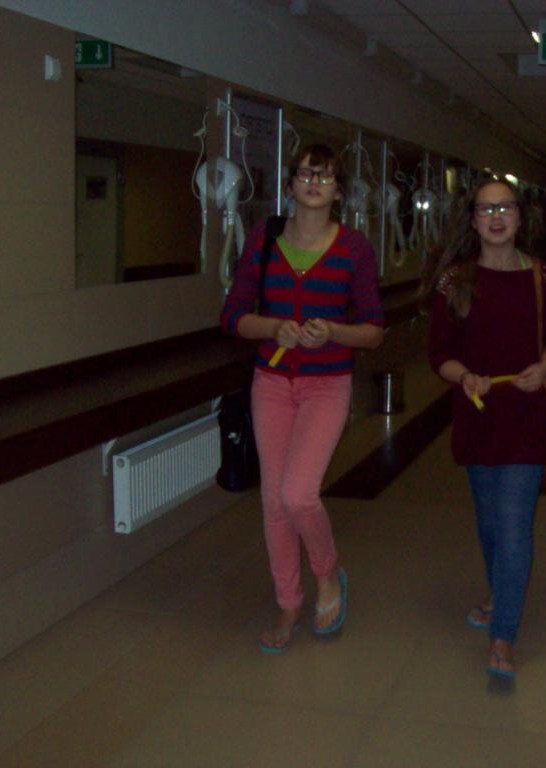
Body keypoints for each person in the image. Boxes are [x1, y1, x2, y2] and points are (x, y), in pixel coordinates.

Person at [220, 144, 384, 652]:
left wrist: (332, 331)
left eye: (326, 176)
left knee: (298, 495)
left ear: (338, 192)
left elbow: (373, 330)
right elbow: (233, 316)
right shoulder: (263, 239)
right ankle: (289, 602)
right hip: (271, 382)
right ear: (289, 184)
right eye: (307, 174)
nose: (315, 182)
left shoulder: (354, 248)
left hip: (326, 384)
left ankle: (327, 573)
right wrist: (274, 327)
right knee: (273, 500)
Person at [425, 177, 546, 678]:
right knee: (489, 524)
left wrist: (544, 368)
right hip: (478, 416)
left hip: (528, 416)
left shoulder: (545, 277)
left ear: (520, 217)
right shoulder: (455, 281)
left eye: (505, 207)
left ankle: (503, 635)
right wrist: (464, 376)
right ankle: (499, 592)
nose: (497, 217)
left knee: (513, 524)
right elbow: (439, 354)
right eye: (486, 210)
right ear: (474, 220)